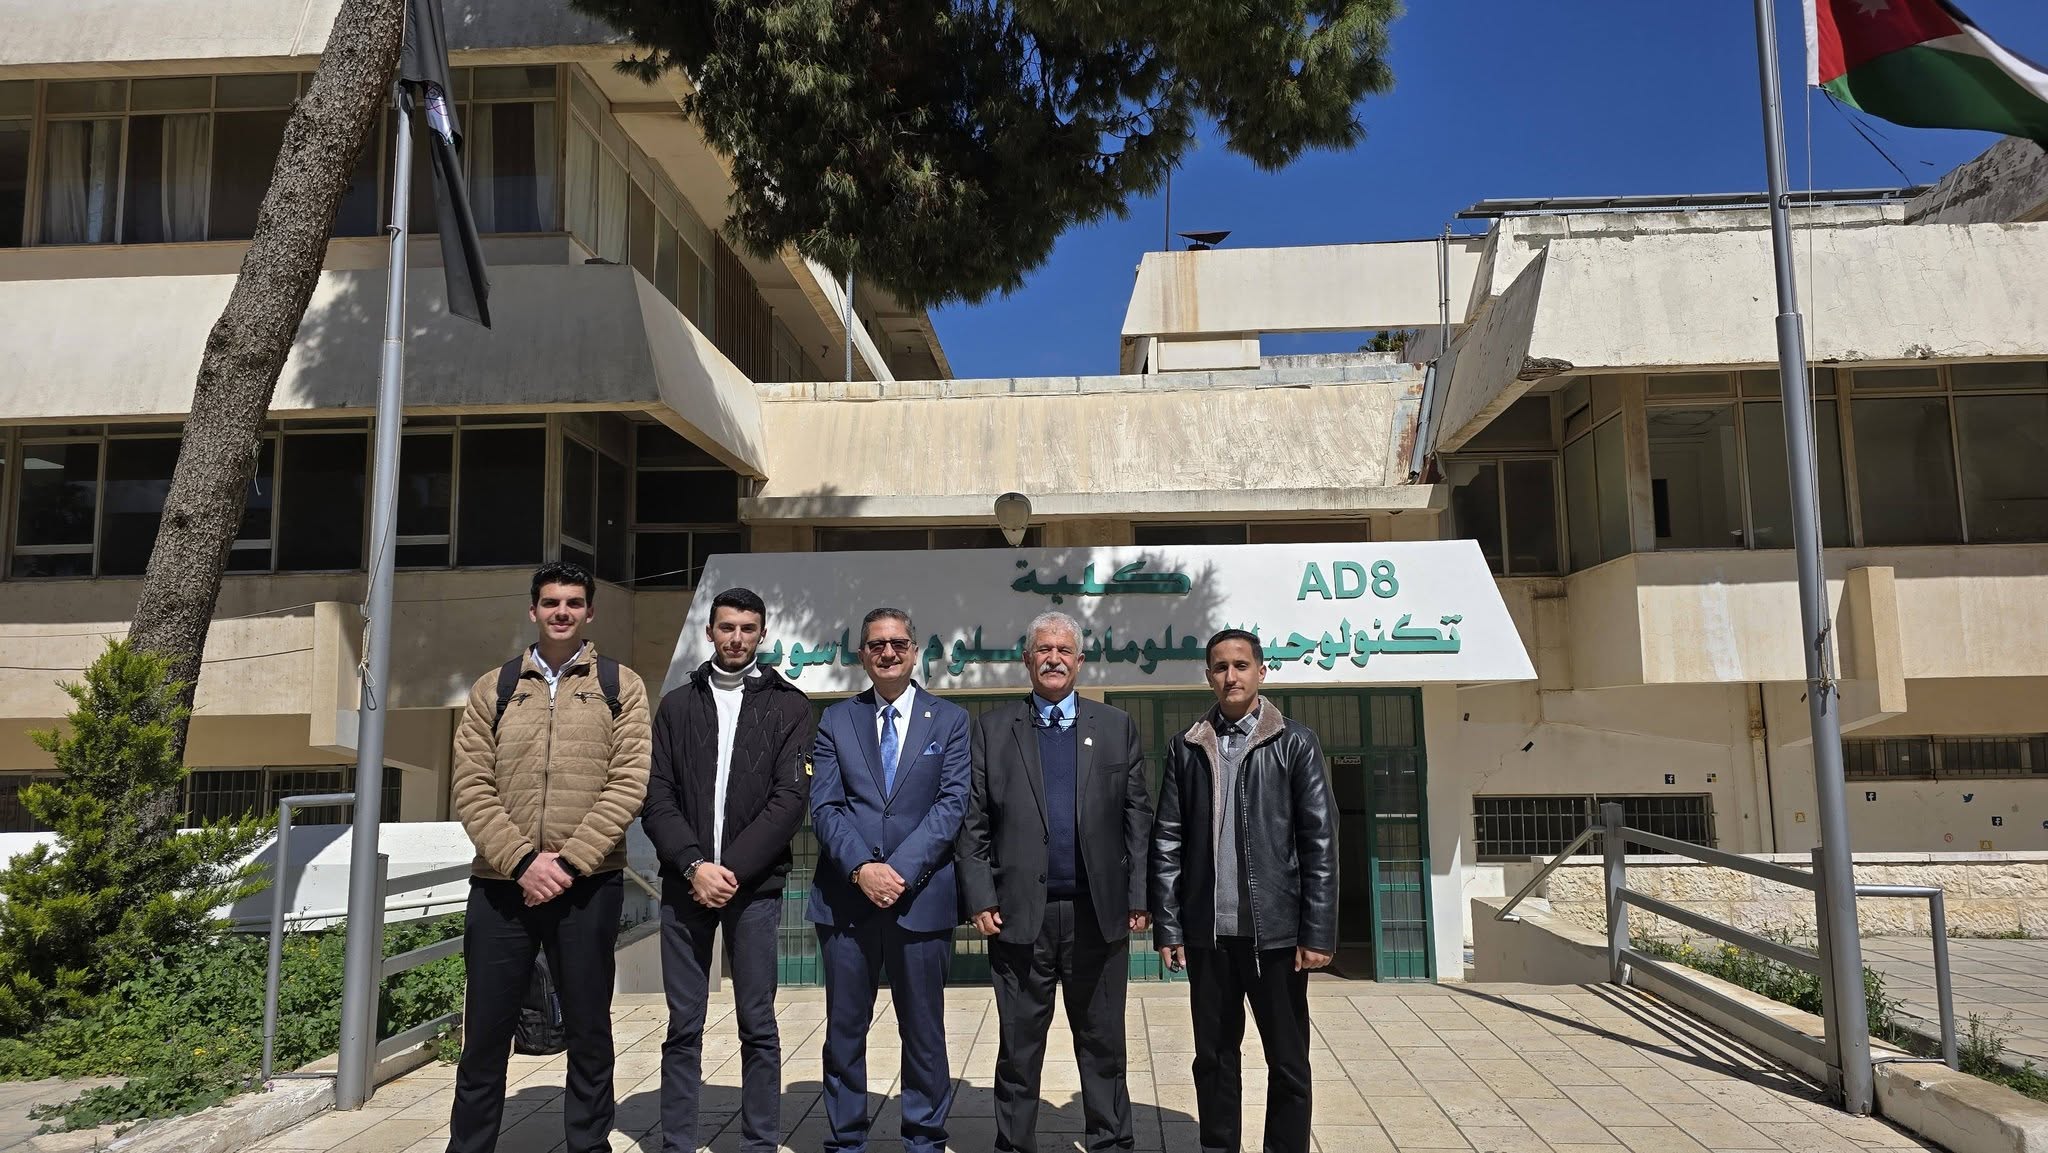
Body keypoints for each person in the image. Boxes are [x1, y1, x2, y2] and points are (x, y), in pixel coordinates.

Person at [447, 561, 651, 1153]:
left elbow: (628, 782)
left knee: (589, 1030)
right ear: (533, 609)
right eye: (552, 602)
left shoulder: (620, 685)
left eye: (574, 603)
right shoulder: (495, 687)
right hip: (500, 885)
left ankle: (588, 1143)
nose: (562, 612)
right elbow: (471, 785)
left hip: (587, 885)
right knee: (485, 1035)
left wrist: (566, 864)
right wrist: (520, 862)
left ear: (590, 612)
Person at [956, 611, 1154, 1153]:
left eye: (1064, 650)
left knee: (1104, 1046)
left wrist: (1139, 895)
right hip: (1021, 917)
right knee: (1019, 1049)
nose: (1054, 659)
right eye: (1044, 649)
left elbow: (1138, 819)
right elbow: (973, 823)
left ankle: (1111, 1142)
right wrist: (979, 896)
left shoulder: (1115, 727)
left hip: (1097, 916)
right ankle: (1014, 1144)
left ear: (1080, 661)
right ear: (1027, 660)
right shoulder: (993, 729)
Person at [1149, 628, 1337, 1153]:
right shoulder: (1187, 747)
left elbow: (1319, 843)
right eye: (1219, 667)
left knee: (1288, 1062)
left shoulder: (1294, 743)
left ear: (1261, 671)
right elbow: (1167, 839)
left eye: (1240, 665)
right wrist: (1170, 925)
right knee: (1213, 1059)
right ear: (1208, 676)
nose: (1230, 676)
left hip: (1275, 936)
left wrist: (1317, 931)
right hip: (1209, 937)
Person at [641, 587, 814, 1153]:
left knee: (758, 1024)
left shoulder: (790, 706)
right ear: (709, 632)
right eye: (726, 627)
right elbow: (656, 796)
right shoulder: (677, 705)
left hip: (754, 889)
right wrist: (694, 866)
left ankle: (759, 1142)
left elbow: (789, 801)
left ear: (762, 634)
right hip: (684, 885)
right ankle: (677, 1142)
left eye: (747, 628)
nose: (736, 638)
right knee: (683, 1026)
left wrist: (729, 871)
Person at [807, 607, 972, 1153]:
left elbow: (952, 804)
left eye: (898, 643)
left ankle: (924, 1138)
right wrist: (862, 869)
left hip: (920, 900)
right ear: (862, 655)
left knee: (923, 1032)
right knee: (844, 1032)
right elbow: (825, 806)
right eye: (876, 644)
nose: (888, 652)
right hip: (846, 901)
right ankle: (846, 1140)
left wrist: (898, 871)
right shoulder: (835, 721)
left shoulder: (949, 720)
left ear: (915, 650)